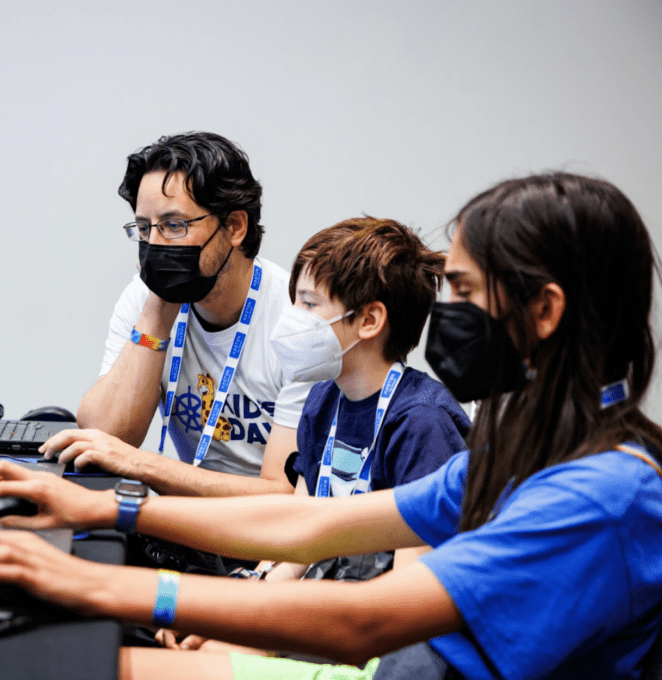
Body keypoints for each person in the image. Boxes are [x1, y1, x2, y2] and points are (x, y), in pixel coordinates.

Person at [0, 172, 662, 680]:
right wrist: (109, 506)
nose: (450, 316)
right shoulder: (537, 449)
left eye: (467, 291)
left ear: (544, 310)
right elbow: (309, 524)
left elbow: (364, 622)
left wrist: (109, 584)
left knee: (85, 660)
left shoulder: (601, 492)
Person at [156, 217, 472, 655]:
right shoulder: (323, 399)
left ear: (369, 320)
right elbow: (297, 542)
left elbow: (406, 605)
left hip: (383, 639)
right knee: (193, 647)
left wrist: (258, 629)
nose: (291, 319)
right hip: (324, 604)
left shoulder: (422, 423)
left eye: (308, 303)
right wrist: (234, 612)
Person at [56, 131, 311, 497]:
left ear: (235, 226)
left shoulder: (295, 323)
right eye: (144, 228)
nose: (155, 244)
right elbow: (103, 439)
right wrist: (158, 313)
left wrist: (146, 466)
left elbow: (283, 496)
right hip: (189, 526)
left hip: (272, 537)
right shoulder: (145, 301)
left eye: (174, 226)